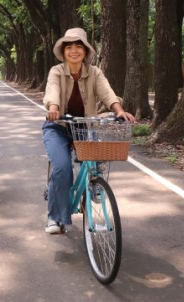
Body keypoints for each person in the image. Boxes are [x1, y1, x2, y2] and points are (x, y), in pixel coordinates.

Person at [42, 27, 135, 234]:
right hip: (58, 126)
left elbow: (107, 92)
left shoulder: (94, 72)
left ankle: (93, 184)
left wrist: (119, 110)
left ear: (85, 51)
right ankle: (55, 218)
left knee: (96, 159)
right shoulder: (56, 71)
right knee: (62, 168)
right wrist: (54, 108)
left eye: (78, 46)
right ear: (63, 51)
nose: (74, 51)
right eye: (69, 47)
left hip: (83, 127)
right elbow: (52, 91)